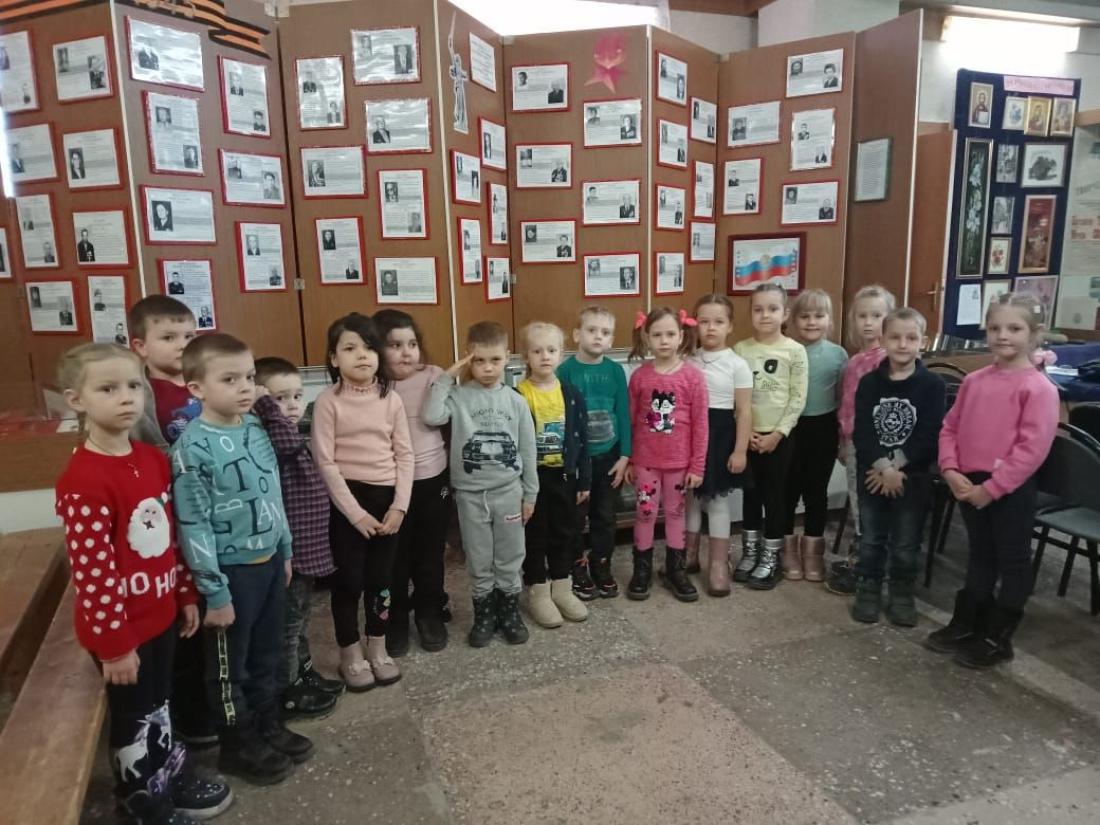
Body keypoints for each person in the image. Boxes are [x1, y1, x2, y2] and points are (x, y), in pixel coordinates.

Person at [54, 343, 232, 823]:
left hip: (160, 614)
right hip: (120, 630)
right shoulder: (84, 479)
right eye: (108, 389)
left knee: (160, 703)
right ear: (77, 400)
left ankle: (166, 775)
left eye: (134, 385)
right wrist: (114, 645)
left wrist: (185, 593)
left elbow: (169, 539)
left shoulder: (152, 459)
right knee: (133, 715)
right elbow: (92, 573)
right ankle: (140, 803)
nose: (127, 397)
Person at [172, 333, 312, 784]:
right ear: (197, 388)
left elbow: (272, 494)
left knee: (266, 654)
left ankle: (268, 724)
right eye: (230, 379)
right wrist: (214, 592)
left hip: (269, 562)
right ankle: (237, 742)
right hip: (230, 574)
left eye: (250, 377)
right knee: (229, 665)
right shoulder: (191, 447)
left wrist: (285, 550)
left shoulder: (254, 428)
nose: (245, 387)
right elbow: (192, 525)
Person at [927, 294, 1059, 668]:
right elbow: (950, 428)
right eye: (995, 328)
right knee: (980, 552)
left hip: (1010, 487)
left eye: (1014, 328)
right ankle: (968, 622)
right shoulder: (974, 381)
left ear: (1034, 333)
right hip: (968, 481)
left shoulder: (1038, 389)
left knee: (1012, 559)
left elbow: (1032, 450)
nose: (1003, 335)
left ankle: (998, 637)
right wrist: (950, 469)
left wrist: (993, 488)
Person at [312, 314, 412, 688]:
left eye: (369, 348)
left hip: (387, 501)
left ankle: (377, 645)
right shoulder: (327, 402)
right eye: (350, 348)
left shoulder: (391, 399)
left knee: (381, 581)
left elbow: (405, 455)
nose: (361, 356)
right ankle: (349, 652)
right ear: (333, 357)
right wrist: (354, 514)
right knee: (349, 581)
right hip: (347, 504)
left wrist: (399, 506)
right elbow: (325, 462)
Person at [423, 321, 538, 647]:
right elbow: (431, 416)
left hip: (509, 492)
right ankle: (484, 613)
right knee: (478, 557)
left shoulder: (516, 401)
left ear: (507, 358)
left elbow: (528, 451)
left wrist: (530, 494)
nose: (488, 368)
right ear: (468, 359)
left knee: (510, 555)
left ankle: (509, 611)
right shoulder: (458, 396)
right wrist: (448, 376)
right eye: (479, 360)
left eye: (495, 360)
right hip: (470, 496)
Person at [252, 357, 344, 720]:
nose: (291, 406)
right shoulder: (270, 436)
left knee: (302, 619)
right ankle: (286, 691)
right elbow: (288, 443)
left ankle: (303, 674)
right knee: (287, 628)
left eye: (296, 396)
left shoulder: (284, 431)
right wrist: (263, 405)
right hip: (290, 554)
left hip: (307, 548)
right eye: (279, 398)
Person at [851, 308, 945, 626]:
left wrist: (895, 468)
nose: (903, 344)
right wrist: (883, 467)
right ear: (883, 340)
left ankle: (902, 593)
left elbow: (929, 435)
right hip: (872, 474)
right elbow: (862, 432)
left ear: (924, 342)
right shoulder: (869, 383)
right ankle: (868, 588)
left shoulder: (932, 385)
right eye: (895, 337)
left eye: (911, 338)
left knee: (906, 541)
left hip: (912, 477)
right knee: (871, 537)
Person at [372, 311, 451, 655]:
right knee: (395, 559)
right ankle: (396, 618)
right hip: (391, 487)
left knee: (430, 554)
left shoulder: (434, 376)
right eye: (395, 345)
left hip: (433, 481)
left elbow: (450, 423)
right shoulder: (373, 386)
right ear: (376, 349)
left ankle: (429, 613)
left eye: (412, 344)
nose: (406, 352)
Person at [625, 307, 708, 602]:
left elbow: (701, 425)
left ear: (681, 336)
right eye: (657, 335)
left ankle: (676, 570)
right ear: (647, 337)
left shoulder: (693, 378)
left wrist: (697, 466)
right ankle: (642, 571)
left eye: (670, 334)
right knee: (645, 513)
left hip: (678, 465)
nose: (664, 341)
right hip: (646, 463)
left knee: (675, 514)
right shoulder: (639, 377)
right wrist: (630, 460)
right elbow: (631, 421)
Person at [732, 284, 808, 591]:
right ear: (750, 313)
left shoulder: (795, 351)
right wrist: (745, 429)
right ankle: (750, 552)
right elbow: (734, 396)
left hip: (780, 438)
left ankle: (771, 557)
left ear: (785, 314)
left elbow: (798, 397)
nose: (765, 315)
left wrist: (778, 433)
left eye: (772, 309)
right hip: (747, 434)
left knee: (775, 496)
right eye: (758, 309)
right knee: (750, 494)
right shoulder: (740, 350)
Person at [517, 322, 591, 628]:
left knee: (565, 532)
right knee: (535, 535)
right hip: (533, 480)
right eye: (537, 351)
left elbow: (583, 440)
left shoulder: (571, 394)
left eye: (551, 350)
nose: (545, 356)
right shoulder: (518, 395)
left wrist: (584, 480)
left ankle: (562, 587)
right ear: (526, 356)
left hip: (564, 477)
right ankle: (538, 592)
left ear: (562, 354)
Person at [558, 307, 631, 599]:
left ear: (611, 340)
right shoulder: (565, 371)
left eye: (605, 332)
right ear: (577, 335)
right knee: (575, 517)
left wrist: (625, 456)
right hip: (577, 461)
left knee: (605, 515)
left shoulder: (615, 371)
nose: (598, 336)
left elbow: (623, 414)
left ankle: (601, 563)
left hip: (609, 457)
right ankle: (576, 565)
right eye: (592, 330)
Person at [828, 284, 896, 596]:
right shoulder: (854, 361)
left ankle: (873, 566)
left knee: (877, 506)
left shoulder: (890, 360)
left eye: (877, 316)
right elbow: (846, 405)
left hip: (881, 447)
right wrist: (843, 440)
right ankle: (863, 559)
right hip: (855, 442)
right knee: (859, 501)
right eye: (862, 316)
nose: (868, 323)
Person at [684, 295, 753, 596]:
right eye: (704, 321)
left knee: (715, 501)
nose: (711, 328)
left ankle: (718, 564)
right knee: (689, 497)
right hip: (688, 434)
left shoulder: (738, 364)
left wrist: (740, 450)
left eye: (718, 321)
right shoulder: (687, 360)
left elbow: (744, 411)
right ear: (694, 325)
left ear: (730, 326)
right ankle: (688, 556)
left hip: (721, 435)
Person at [781, 289, 848, 583]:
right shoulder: (785, 350)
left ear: (829, 320)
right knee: (788, 491)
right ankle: (787, 552)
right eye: (804, 316)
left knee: (816, 492)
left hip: (823, 430)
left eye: (819, 316)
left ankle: (813, 553)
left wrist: (842, 438)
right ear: (793, 320)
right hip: (790, 429)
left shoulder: (838, 355)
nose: (811, 322)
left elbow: (842, 398)